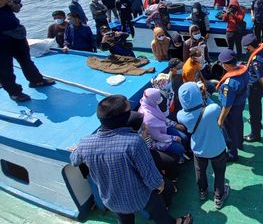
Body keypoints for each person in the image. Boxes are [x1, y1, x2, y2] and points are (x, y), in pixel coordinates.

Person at [70, 95, 193, 224]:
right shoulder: (134, 142)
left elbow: (74, 160)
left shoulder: (85, 143)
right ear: (123, 118)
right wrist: (160, 184)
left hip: (111, 199)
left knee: (125, 221)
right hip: (139, 198)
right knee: (158, 210)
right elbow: (149, 175)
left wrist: (77, 148)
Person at [177, 82, 230, 209]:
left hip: (198, 150)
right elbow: (215, 108)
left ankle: (202, 192)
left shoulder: (180, 115)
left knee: (200, 172)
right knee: (219, 172)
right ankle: (218, 197)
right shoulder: (212, 109)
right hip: (217, 149)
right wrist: (205, 95)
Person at [0, 0, 55, 102]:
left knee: (26, 60)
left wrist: (12, 4)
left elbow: (17, 9)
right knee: (5, 67)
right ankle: (14, 92)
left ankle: (36, 80)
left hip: (16, 33)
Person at [215, 50, 249, 162]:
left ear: (226, 65)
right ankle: (239, 143)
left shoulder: (229, 84)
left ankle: (232, 153)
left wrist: (220, 119)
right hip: (240, 104)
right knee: (238, 125)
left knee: (229, 131)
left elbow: (227, 105)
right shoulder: (243, 70)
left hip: (232, 109)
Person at [139, 88, 187, 162]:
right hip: (154, 140)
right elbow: (157, 136)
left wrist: (175, 124)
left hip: (161, 129)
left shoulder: (149, 104)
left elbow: (162, 117)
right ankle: (178, 158)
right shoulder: (148, 118)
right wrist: (174, 138)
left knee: (184, 137)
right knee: (179, 148)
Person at [242, 34, 263, 142]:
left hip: (254, 88)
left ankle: (255, 134)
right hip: (258, 88)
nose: (246, 49)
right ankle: (257, 125)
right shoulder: (262, 52)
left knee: (254, 110)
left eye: (246, 47)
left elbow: (260, 77)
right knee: (257, 107)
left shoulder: (256, 60)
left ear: (250, 46)